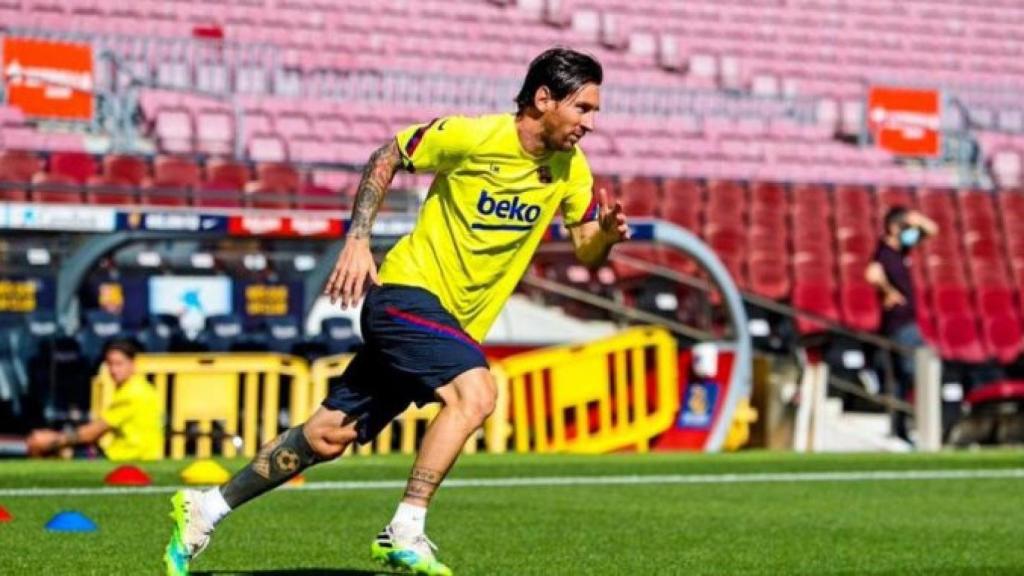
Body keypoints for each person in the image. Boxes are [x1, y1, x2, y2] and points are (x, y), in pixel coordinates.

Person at [164, 47, 630, 576]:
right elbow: (387, 155)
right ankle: (405, 528)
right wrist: (358, 239)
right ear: (544, 99)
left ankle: (207, 507)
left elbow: (586, 246)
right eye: (583, 108)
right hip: (404, 295)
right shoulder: (472, 136)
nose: (592, 123)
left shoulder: (571, 169)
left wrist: (607, 238)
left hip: (446, 327)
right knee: (476, 392)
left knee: (326, 436)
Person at [865, 206, 939, 441]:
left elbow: (932, 230)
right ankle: (914, 424)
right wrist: (889, 292)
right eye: (906, 226)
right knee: (916, 371)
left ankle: (900, 428)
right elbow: (872, 274)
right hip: (899, 325)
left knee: (902, 379)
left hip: (907, 322)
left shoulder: (902, 249)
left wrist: (916, 218)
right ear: (894, 227)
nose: (911, 230)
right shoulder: (884, 252)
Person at [26, 339, 163, 460]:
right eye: (110, 364)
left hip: (128, 457)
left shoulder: (132, 393)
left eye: (119, 364)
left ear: (132, 364)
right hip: (132, 454)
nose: (114, 370)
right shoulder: (141, 387)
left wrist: (52, 439)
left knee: (47, 447)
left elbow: (93, 432)